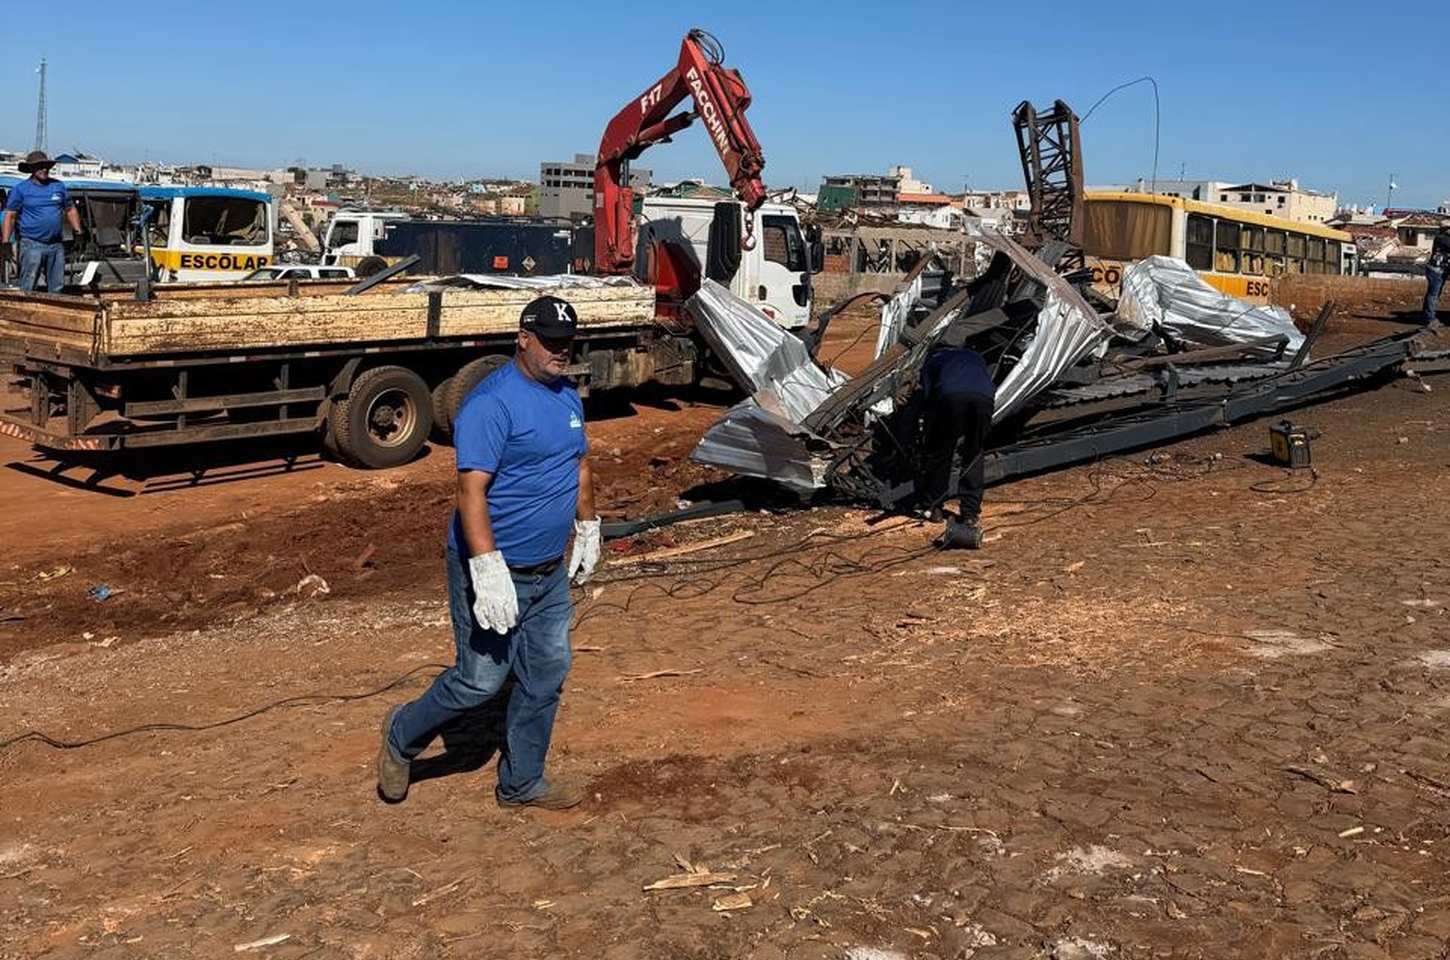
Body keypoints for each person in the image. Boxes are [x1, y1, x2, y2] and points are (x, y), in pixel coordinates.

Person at [377, 295, 601, 809]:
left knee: (546, 674)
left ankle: (522, 783)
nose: (560, 352)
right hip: (493, 568)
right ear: (522, 338)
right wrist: (487, 567)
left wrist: (587, 526)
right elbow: (470, 491)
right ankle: (402, 734)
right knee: (479, 681)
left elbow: (580, 465)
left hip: (547, 574)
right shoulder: (491, 403)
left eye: (567, 343)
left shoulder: (567, 395)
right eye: (550, 342)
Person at [916, 322, 997, 549]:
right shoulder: (974, 357)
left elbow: (929, 398)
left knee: (942, 450)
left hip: (951, 397)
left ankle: (935, 507)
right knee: (974, 452)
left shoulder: (933, 360)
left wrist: (927, 433)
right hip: (984, 399)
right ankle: (970, 513)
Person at [1, 151, 82, 292]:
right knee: (29, 285)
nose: (44, 169)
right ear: (31, 169)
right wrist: (6, 241)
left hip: (56, 244)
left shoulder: (58, 187)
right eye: (39, 166)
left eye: (46, 166)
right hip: (32, 244)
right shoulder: (21, 189)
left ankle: (54, 312)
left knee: (57, 286)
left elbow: (70, 209)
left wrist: (78, 231)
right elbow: (10, 215)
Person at [1423, 229, 1450, 328]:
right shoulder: (1442, 239)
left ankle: (1428, 316)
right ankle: (1429, 319)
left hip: (1440, 271)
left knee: (1434, 294)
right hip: (1435, 271)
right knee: (1433, 295)